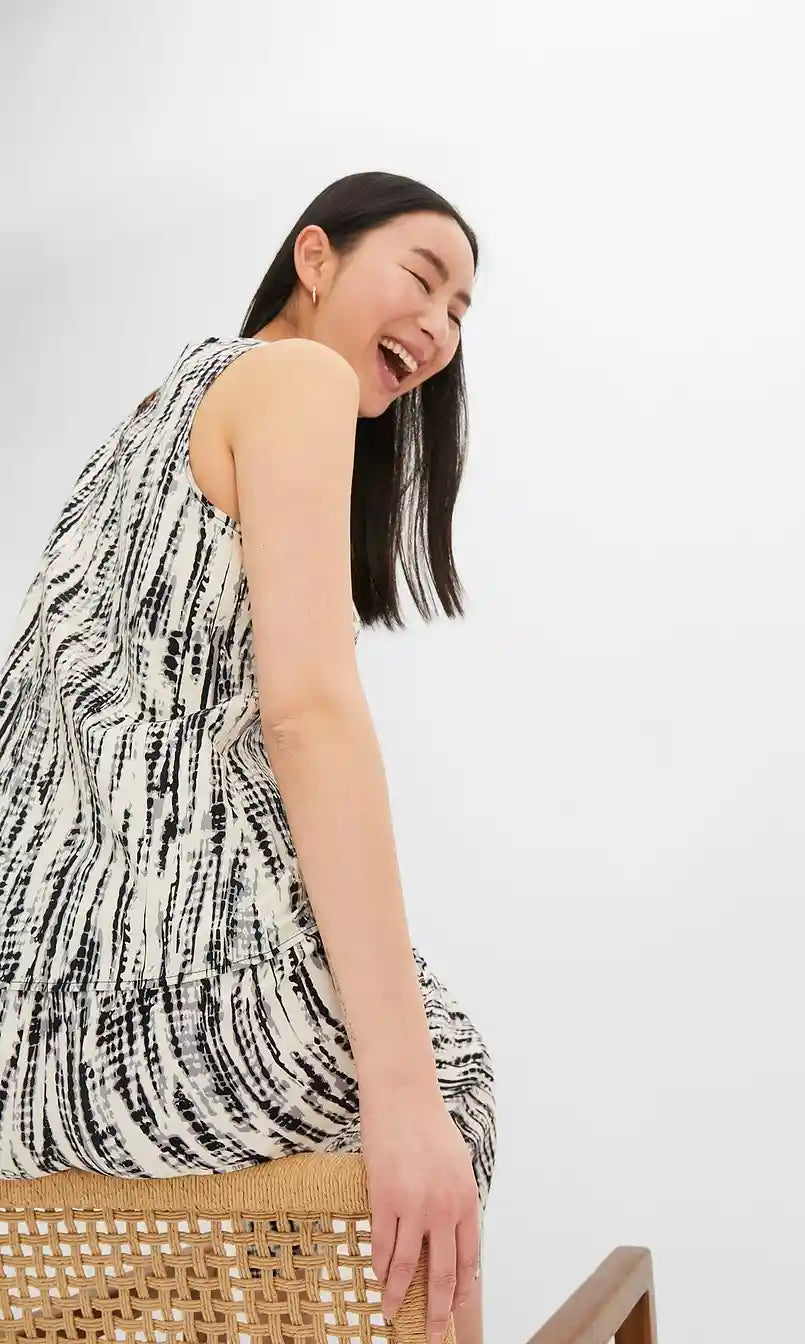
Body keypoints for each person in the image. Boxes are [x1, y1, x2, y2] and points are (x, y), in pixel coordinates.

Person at [0, 170, 495, 1344]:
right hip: (140, 1024)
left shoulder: (159, 408)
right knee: (448, 1084)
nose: (439, 328)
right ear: (314, 258)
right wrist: (404, 1095)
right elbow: (307, 714)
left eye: (462, 311)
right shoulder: (294, 379)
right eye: (422, 277)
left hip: (26, 1034)